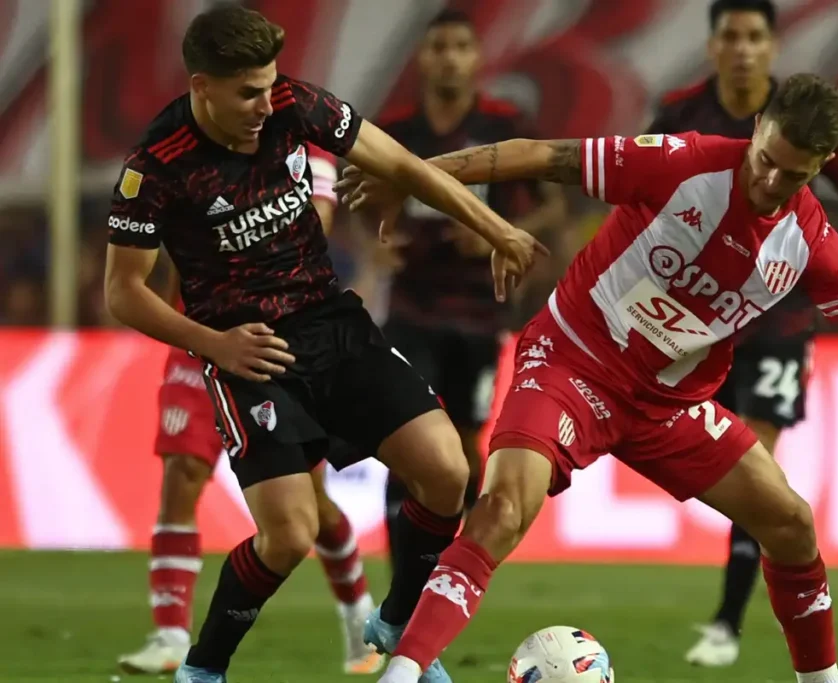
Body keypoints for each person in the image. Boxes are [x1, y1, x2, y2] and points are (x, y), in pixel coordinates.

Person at [339, 73, 838, 683]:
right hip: (573, 360)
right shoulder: (684, 163)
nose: (770, 183)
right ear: (756, 130)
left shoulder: (812, 244)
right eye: (767, 161)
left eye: (794, 177)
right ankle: (401, 673)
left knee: (790, 523)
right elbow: (544, 155)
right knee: (503, 509)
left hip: (668, 405)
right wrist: (418, 175)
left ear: (819, 170)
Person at [103, 6, 547, 683]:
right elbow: (123, 290)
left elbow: (398, 161)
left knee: (449, 470)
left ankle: (396, 622)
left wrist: (498, 229)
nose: (264, 102)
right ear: (201, 86)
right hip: (251, 351)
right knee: (288, 534)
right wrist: (213, 344)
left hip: (332, 322)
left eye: (269, 84)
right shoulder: (156, 167)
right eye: (247, 91)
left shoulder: (294, 103)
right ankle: (203, 668)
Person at [644, 0, 838, 664]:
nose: (744, 48)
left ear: (773, 47)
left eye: (755, 37)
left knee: (762, 466)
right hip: (699, 320)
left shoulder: (800, 119)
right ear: (713, 45)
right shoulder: (681, 112)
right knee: (717, 459)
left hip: (778, 319)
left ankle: (725, 622)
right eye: (731, 36)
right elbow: (644, 190)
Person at [116, 145, 383, 676]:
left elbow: (317, 226)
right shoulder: (179, 150)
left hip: (271, 344)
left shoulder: (304, 145)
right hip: (197, 339)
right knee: (181, 475)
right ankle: (170, 634)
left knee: (312, 503)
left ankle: (359, 617)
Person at [374, 9, 567, 554]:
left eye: (461, 46)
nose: (450, 58)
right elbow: (347, 194)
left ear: (477, 58)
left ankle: (454, 559)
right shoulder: (397, 131)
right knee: (409, 438)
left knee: (463, 444)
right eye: (439, 47)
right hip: (412, 307)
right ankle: (403, 575)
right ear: (423, 58)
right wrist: (371, 246)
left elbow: (553, 208)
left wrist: (501, 235)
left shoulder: (503, 126)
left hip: (481, 309)